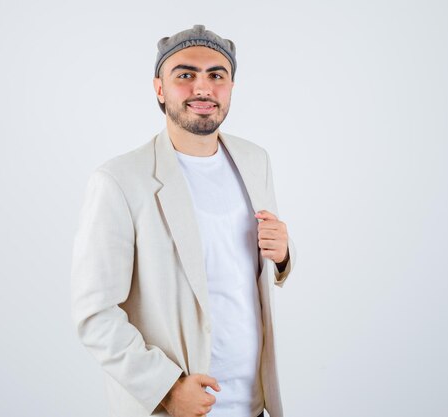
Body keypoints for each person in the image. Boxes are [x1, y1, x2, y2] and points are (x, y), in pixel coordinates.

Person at [71, 24, 296, 417]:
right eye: (185, 75)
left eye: (216, 75)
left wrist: (282, 257)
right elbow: (95, 314)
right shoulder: (119, 180)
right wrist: (168, 389)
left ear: (230, 87)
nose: (203, 88)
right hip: (178, 406)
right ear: (159, 88)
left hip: (254, 402)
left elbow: (244, 269)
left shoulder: (254, 160)